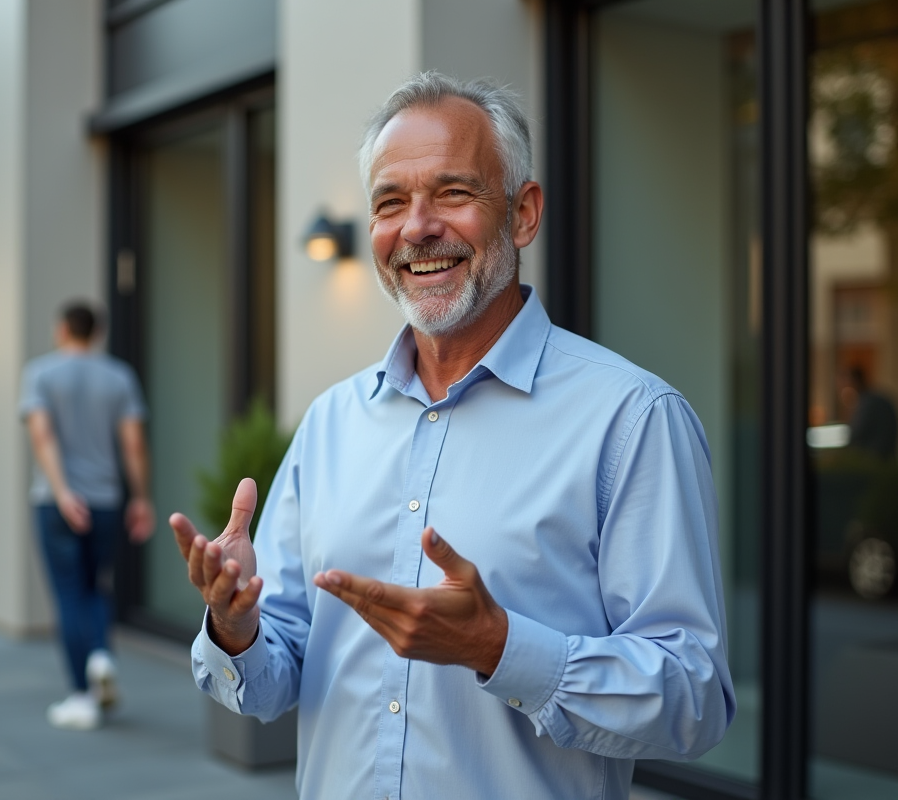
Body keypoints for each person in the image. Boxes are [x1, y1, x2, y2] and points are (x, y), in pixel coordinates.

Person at [170, 73, 735, 799]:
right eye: (390, 202)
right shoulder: (331, 422)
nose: (417, 228)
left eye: (454, 192)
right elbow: (272, 678)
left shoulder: (632, 420)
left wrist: (501, 648)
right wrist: (235, 627)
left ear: (523, 214)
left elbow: (693, 699)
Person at [20, 301, 155, 730]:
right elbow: (134, 444)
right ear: (97, 333)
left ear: (62, 330)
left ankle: (81, 694)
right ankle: (100, 655)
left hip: (56, 503)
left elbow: (42, 435)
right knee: (96, 585)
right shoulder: (119, 377)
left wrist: (63, 493)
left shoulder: (40, 373)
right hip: (106, 501)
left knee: (68, 593)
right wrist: (141, 498)